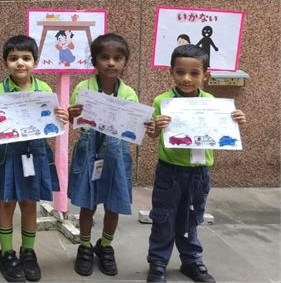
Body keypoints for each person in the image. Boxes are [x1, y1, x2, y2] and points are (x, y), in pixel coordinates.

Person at [145, 44, 246, 283]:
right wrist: (155, 127)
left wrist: (235, 121)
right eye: (180, 72)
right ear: (171, 72)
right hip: (169, 171)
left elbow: (221, 130)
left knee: (192, 217)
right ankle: (158, 262)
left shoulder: (212, 102)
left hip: (199, 173)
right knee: (163, 217)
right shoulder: (162, 101)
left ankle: (191, 261)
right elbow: (151, 134)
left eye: (194, 73)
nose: (187, 78)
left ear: (205, 75)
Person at [0, 35, 68, 282]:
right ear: (5, 63)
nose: (20, 63)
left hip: (36, 153)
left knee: (30, 203)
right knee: (7, 202)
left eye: (26, 58)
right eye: (13, 58)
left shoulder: (46, 91)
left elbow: (52, 126)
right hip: (9, 154)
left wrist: (61, 117)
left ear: (35, 62)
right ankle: (6, 253)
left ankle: (28, 252)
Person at [67, 33, 143, 278]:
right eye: (105, 57)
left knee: (114, 203)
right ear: (94, 61)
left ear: (125, 62)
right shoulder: (83, 88)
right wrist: (71, 114)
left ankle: (106, 246)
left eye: (117, 58)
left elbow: (134, 127)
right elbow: (74, 121)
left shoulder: (128, 93)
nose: (111, 63)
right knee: (87, 203)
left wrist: (144, 124)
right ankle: (85, 246)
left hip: (116, 155)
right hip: (89, 152)